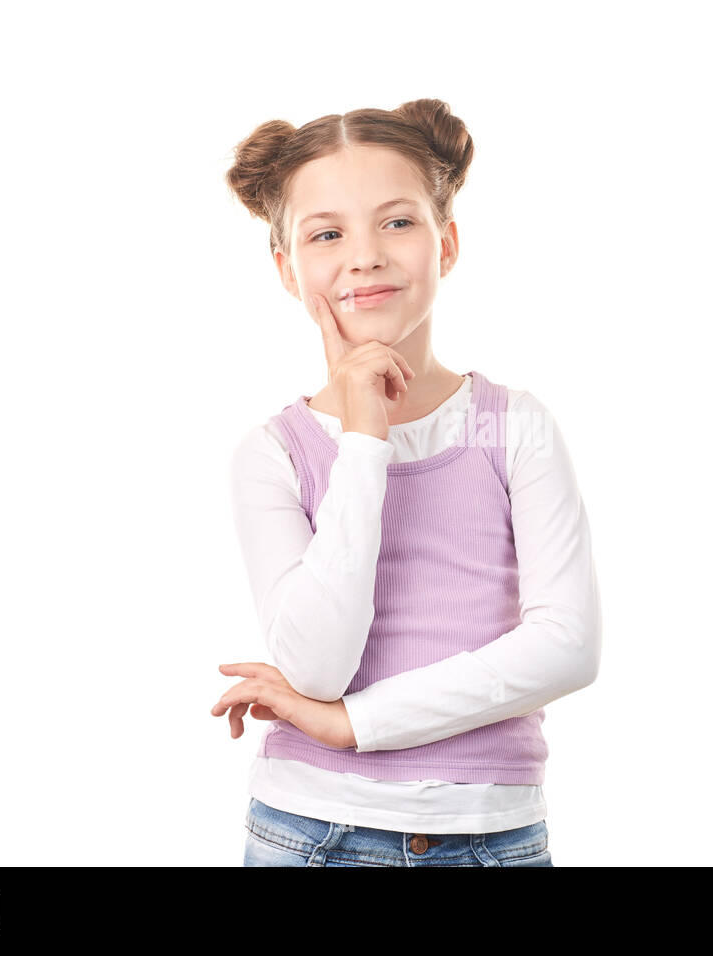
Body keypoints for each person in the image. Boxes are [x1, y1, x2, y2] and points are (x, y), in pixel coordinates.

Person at [210, 99, 602, 867]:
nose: (365, 256)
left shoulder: (513, 426)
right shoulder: (274, 454)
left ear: (446, 242)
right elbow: (318, 665)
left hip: (492, 837)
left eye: (397, 222)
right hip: (312, 833)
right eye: (327, 234)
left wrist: (355, 723)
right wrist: (363, 438)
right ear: (289, 269)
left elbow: (568, 647)